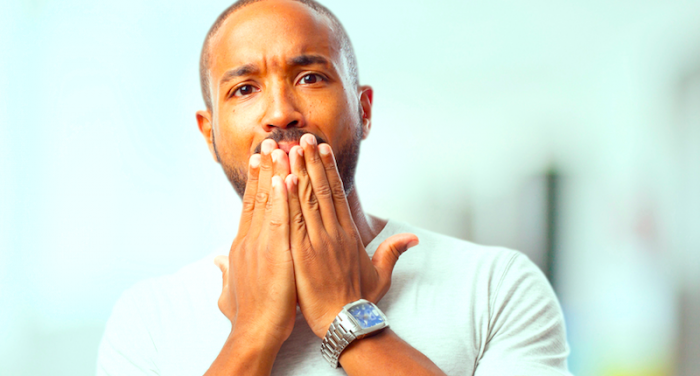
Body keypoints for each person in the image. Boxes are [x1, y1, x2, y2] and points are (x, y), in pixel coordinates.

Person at [97, 0, 572, 375]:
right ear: (209, 134)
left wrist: (346, 316)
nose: (280, 112)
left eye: (310, 77)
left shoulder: (495, 287)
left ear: (363, 111)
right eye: (244, 89)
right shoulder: (149, 319)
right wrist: (253, 332)